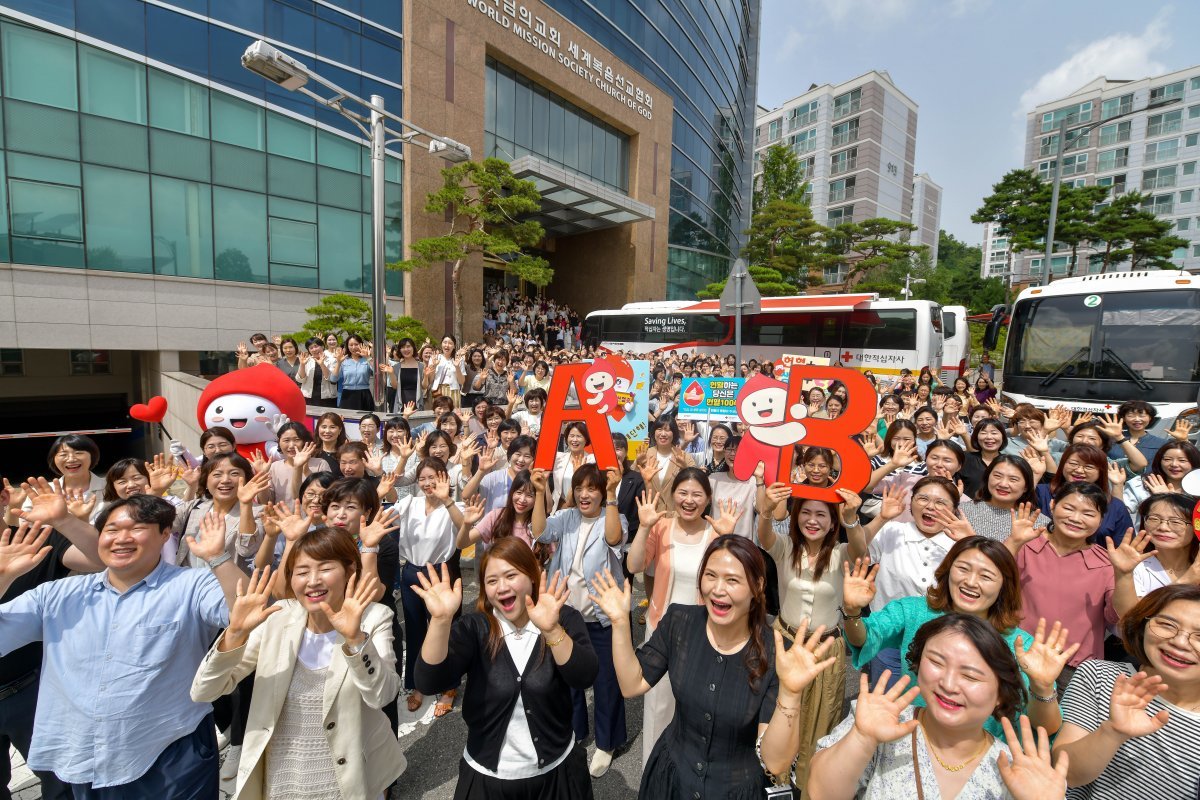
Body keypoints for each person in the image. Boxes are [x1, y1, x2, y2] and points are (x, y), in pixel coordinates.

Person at [0, 495, 243, 796]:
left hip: (172, 749)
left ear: (165, 533)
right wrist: (3, 576)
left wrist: (218, 558)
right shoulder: (57, 595)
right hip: (87, 754)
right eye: (111, 530)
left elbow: (243, 612)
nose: (122, 539)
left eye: (137, 528)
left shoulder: (192, 585)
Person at [590, 535, 840, 799]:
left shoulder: (777, 653)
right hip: (671, 780)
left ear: (757, 586)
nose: (718, 589)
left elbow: (775, 762)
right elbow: (632, 684)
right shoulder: (679, 622)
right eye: (710, 575)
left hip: (737, 791)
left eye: (732, 580)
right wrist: (619, 624)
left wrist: (791, 693)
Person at [190, 528, 404, 799]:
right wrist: (234, 633)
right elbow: (203, 691)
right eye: (301, 572)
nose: (312, 581)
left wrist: (356, 640)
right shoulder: (278, 617)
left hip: (352, 776)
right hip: (280, 775)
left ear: (350, 570)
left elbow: (382, 695)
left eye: (325, 568)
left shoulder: (374, 617)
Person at [810, 614, 1069, 800]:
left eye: (970, 676)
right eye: (936, 662)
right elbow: (821, 793)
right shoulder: (879, 723)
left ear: (1001, 693)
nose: (948, 683)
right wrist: (861, 738)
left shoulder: (1018, 769)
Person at [413, 538, 598, 798]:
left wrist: (552, 630)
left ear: (532, 576)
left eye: (511, 575)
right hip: (487, 780)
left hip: (558, 774)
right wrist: (441, 620)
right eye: (491, 581)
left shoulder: (562, 618)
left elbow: (584, 676)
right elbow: (429, 681)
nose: (501, 588)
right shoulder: (475, 628)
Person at [843, 536, 1071, 739]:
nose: (970, 582)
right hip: (911, 738)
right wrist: (852, 611)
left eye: (986, 576)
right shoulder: (914, 611)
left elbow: (1044, 727)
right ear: (947, 570)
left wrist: (1042, 688)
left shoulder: (1021, 646)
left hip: (979, 754)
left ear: (1004, 586)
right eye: (963, 568)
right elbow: (866, 636)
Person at [626, 468, 744, 764]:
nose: (689, 500)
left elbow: (737, 581)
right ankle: (653, 776)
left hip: (705, 634)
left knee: (699, 710)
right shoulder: (660, 526)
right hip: (662, 631)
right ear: (673, 494)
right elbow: (635, 563)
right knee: (657, 708)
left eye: (697, 494)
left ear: (707, 499)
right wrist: (643, 528)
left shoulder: (717, 532)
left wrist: (728, 538)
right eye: (683, 493)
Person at [757, 482, 866, 791]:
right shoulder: (785, 548)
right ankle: (775, 785)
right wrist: (766, 510)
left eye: (822, 514)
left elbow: (861, 550)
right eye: (806, 512)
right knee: (780, 720)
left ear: (834, 522)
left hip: (825, 651)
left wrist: (853, 518)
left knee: (818, 729)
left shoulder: (842, 553)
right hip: (785, 644)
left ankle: (809, 789)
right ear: (795, 516)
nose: (813, 520)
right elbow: (764, 536)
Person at [1053, 584, 1200, 799]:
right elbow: (1065, 773)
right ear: (1143, 625)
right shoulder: (1099, 677)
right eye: (1167, 624)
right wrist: (1112, 732)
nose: (1179, 642)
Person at [531, 464, 628, 777]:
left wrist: (612, 496)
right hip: (569, 615)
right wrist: (537, 492)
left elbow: (615, 540)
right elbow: (540, 531)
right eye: (579, 488)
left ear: (601, 491)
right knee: (569, 678)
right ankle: (576, 731)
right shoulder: (567, 517)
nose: (585, 494)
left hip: (601, 616)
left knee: (606, 682)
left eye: (592, 488)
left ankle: (608, 742)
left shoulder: (613, 516)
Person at [1006, 482, 1118, 693]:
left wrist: (1125, 575)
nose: (1075, 518)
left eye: (1088, 513)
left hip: (1074, 669)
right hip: (1016, 653)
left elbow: (1115, 615)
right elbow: (994, 581)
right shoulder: (1026, 545)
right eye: (1068, 508)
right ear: (1053, 505)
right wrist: (1013, 543)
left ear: (1101, 519)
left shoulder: (1107, 563)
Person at [858, 477, 968, 686]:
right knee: (885, 697)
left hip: (938, 639)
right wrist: (881, 518)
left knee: (926, 701)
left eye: (941, 503)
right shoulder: (891, 531)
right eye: (923, 499)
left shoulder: (959, 543)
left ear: (954, 510)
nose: (930, 506)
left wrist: (968, 540)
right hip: (889, 636)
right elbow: (855, 551)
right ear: (912, 502)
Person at [393, 459, 467, 716]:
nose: (427, 484)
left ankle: (448, 686)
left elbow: (465, 530)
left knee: (444, 630)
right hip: (411, 572)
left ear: (444, 478)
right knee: (414, 631)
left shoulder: (454, 506)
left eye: (433, 478)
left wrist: (447, 500)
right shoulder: (408, 504)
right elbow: (383, 514)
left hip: (440, 574)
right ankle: (418, 684)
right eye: (422, 478)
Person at [1111, 494, 1200, 608]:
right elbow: (1130, 616)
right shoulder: (1134, 568)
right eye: (1154, 519)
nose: (1163, 527)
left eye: (1176, 521)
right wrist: (1186, 581)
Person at [1034, 444, 1133, 546]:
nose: (1079, 470)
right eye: (1073, 463)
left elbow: (1124, 546)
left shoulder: (1115, 506)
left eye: (1089, 467)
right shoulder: (1040, 492)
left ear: (1101, 471)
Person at [959, 456, 1050, 542]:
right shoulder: (962, 511)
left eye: (1013, 479)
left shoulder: (1040, 523)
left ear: (1026, 486)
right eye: (997, 476)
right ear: (987, 478)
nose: (1003, 484)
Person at [1121, 441, 1200, 524]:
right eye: (1167, 459)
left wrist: (1167, 498)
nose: (1174, 464)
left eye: (1182, 460)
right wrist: (1118, 485)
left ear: (1194, 462)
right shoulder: (1141, 483)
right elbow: (1120, 512)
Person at [267, 422, 330, 504]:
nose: (291, 445)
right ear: (279, 442)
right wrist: (262, 474)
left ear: (305, 441)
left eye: (297, 440)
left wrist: (300, 468)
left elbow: (327, 497)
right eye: (286, 440)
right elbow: (266, 501)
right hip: (282, 516)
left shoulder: (320, 464)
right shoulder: (275, 467)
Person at [1108, 400, 1169, 468]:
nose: (1137, 419)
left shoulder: (1161, 443)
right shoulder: (1110, 440)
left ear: (1150, 418)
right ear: (1124, 418)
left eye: (1142, 416)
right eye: (1131, 416)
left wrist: (1181, 439)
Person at [548, 422, 595, 511]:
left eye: (579, 436)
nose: (574, 440)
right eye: (571, 436)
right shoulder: (558, 458)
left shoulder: (592, 460)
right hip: (560, 509)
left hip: (583, 508)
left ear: (586, 439)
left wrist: (578, 474)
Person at [337, 335, 375, 411]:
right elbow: (333, 379)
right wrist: (338, 363)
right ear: (347, 346)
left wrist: (368, 357)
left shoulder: (367, 360)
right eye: (351, 345)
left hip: (364, 394)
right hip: (347, 395)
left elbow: (377, 374)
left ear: (361, 344)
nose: (353, 347)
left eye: (356, 344)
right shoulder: (343, 360)